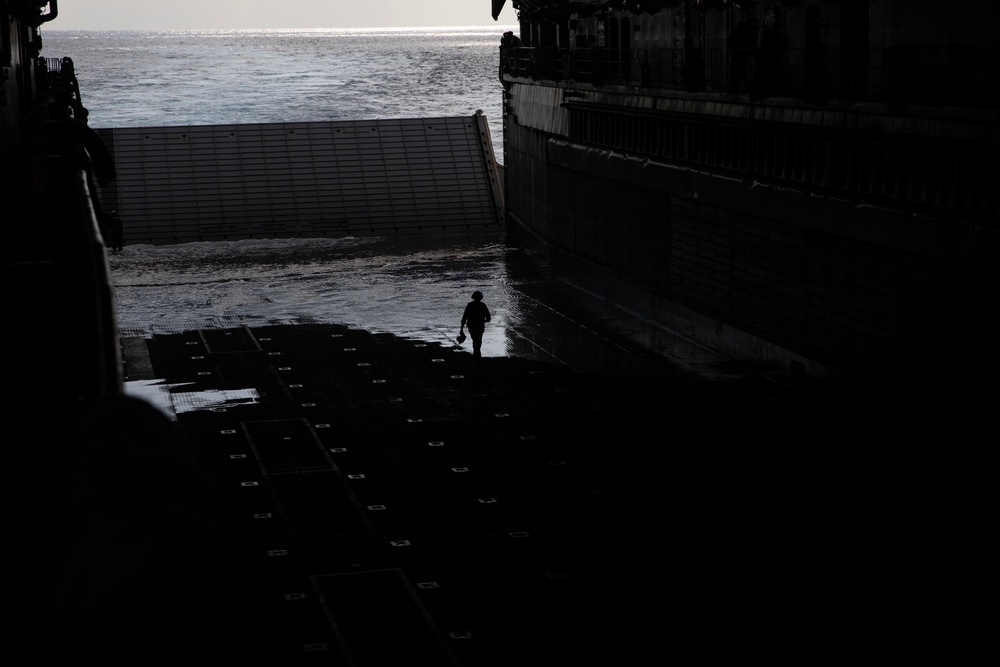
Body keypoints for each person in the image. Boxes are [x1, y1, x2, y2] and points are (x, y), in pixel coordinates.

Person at [460, 291, 491, 359]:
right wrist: (483, 321)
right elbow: (488, 318)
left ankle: (476, 354)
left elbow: (464, 317)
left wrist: (461, 329)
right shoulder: (483, 305)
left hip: (471, 325)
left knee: (474, 339)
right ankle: (477, 354)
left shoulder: (469, 305)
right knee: (478, 339)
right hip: (480, 325)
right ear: (481, 297)